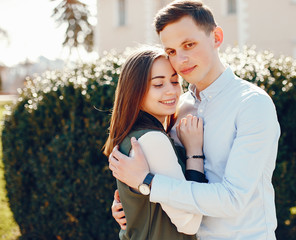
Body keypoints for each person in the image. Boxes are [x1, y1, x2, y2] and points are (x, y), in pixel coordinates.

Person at [108, 0, 281, 239]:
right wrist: (134, 205)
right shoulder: (179, 106)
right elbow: (173, 175)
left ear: (216, 37)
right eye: (171, 51)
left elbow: (233, 199)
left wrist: (146, 183)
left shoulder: (252, 104)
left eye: (189, 45)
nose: (180, 60)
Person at [104, 46, 209, 240]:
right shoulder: (152, 140)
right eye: (158, 84)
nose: (171, 91)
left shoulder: (132, 135)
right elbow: (190, 222)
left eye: (174, 81)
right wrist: (194, 150)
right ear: (135, 91)